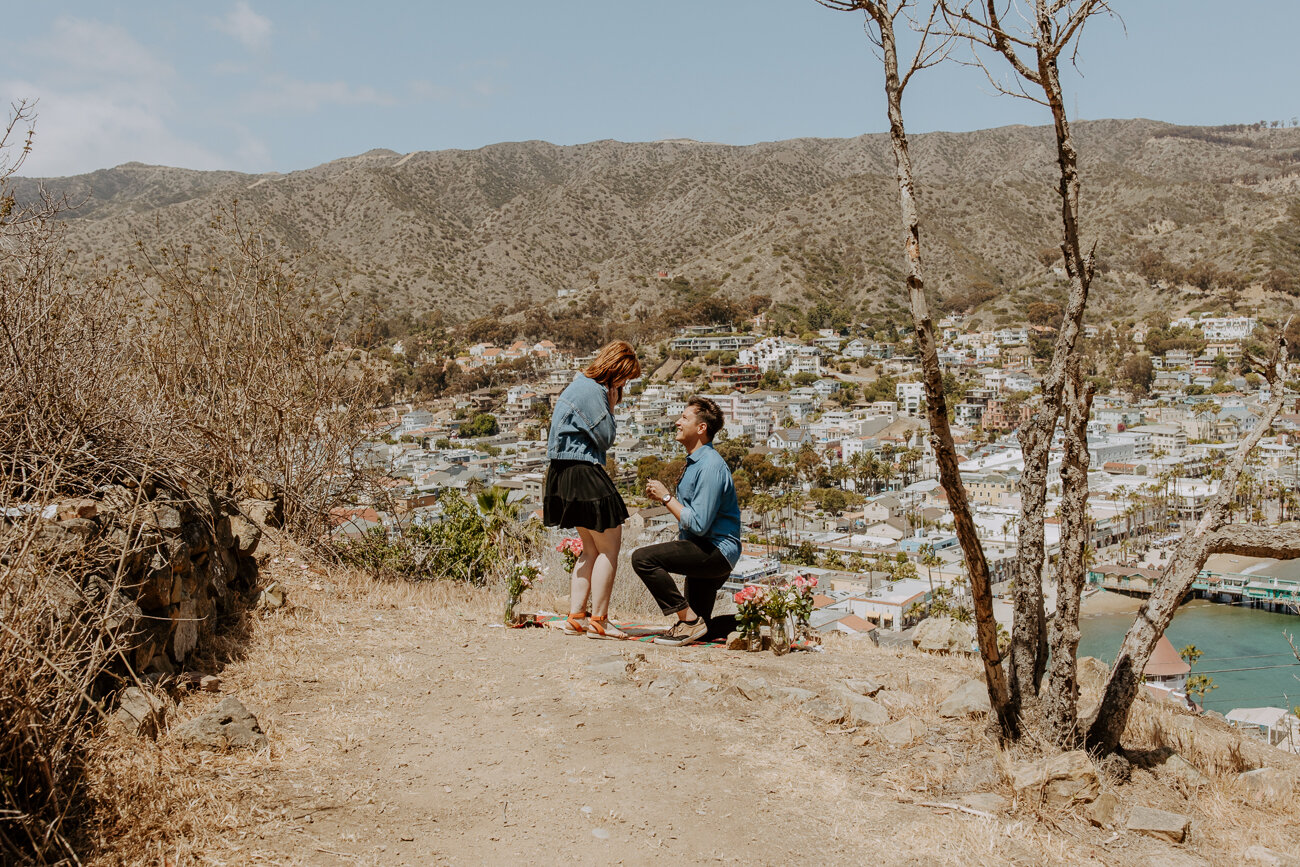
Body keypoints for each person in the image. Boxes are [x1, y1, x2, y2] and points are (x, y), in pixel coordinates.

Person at [544, 340, 641, 639]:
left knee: (589, 548)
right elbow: (606, 437)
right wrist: (611, 407)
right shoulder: (594, 391)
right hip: (583, 469)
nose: (625, 383)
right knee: (610, 547)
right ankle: (599, 620)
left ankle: (576, 617)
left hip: (561, 472)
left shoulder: (578, 383)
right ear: (617, 370)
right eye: (626, 377)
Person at [633, 396, 741, 647]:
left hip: (715, 550)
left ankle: (687, 620)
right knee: (703, 627)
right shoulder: (696, 462)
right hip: (703, 548)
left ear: (701, 428)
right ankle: (758, 620)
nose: (677, 422)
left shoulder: (711, 466)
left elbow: (700, 523)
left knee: (643, 559)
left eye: (684, 418)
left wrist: (666, 496)